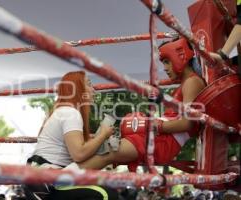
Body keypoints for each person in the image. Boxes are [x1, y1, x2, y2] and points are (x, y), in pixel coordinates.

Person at [78, 37, 206, 171]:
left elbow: (187, 123)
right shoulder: (186, 84)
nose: (165, 68)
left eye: (167, 62)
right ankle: (63, 175)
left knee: (107, 151)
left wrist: (154, 125)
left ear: (180, 56)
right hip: (159, 138)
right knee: (102, 147)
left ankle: (61, 178)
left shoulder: (192, 82)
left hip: (164, 143)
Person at [25, 70, 119, 200]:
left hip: (43, 178)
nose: (94, 90)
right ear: (77, 88)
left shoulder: (61, 110)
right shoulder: (70, 113)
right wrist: (102, 135)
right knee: (107, 194)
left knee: (106, 188)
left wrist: (97, 138)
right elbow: (79, 154)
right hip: (47, 181)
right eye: (89, 84)